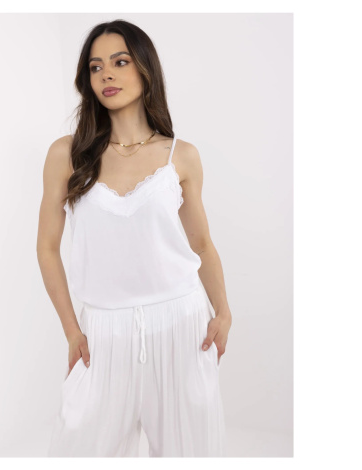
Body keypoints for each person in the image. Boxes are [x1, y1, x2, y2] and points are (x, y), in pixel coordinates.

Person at [36, 19, 232, 457]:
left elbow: (201, 244)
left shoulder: (181, 156)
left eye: (120, 62)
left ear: (145, 69)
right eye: (95, 66)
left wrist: (223, 311)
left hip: (182, 326)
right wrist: (72, 331)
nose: (106, 74)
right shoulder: (67, 154)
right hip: (102, 333)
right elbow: (47, 248)